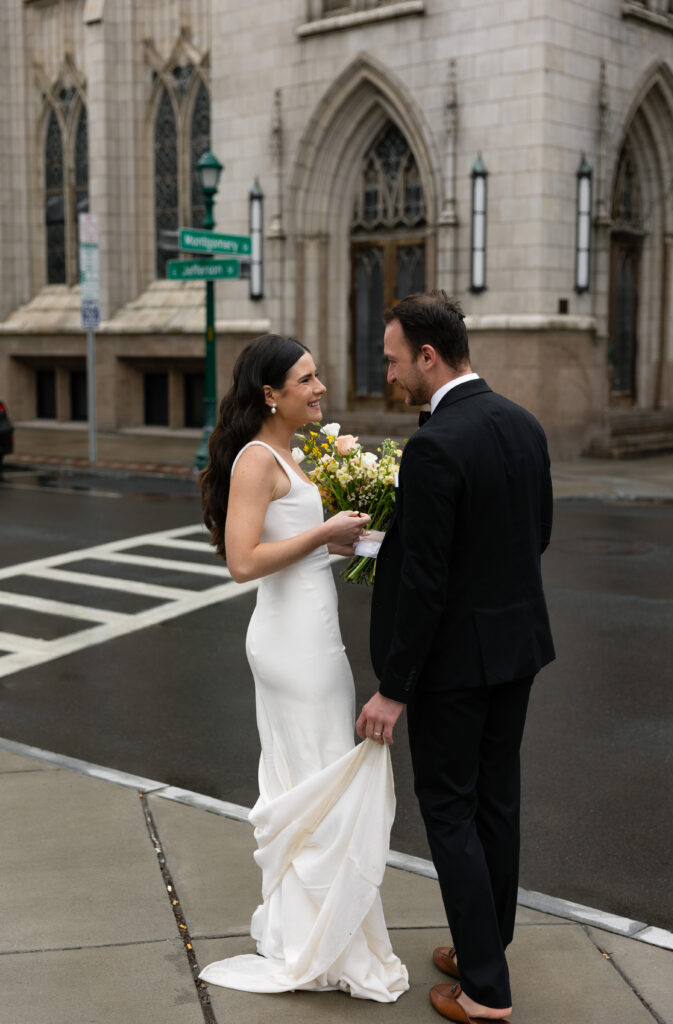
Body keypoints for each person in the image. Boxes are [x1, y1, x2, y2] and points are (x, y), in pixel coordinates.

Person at [356, 292, 555, 1022]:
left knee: (448, 808)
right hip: (517, 648)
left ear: (428, 356)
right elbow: (535, 534)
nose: (391, 372)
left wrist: (392, 688)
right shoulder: (523, 424)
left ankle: (484, 994)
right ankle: (485, 947)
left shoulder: (435, 445)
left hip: (454, 665)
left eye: (393, 358)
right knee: (495, 801)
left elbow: (425, 582)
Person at [198, 333, 408, 1002]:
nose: (320, 388)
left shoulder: (290, 454)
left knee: (316, 780)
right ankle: (315, 942)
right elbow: (241, 563)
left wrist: (361, 542)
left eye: (317, 376)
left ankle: (312, 933)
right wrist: (323, 532)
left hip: (314, 635)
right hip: (291, 647)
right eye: (307, 379)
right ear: (271, 393)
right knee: (317, 782)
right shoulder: (257, 460)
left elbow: (303, 555)